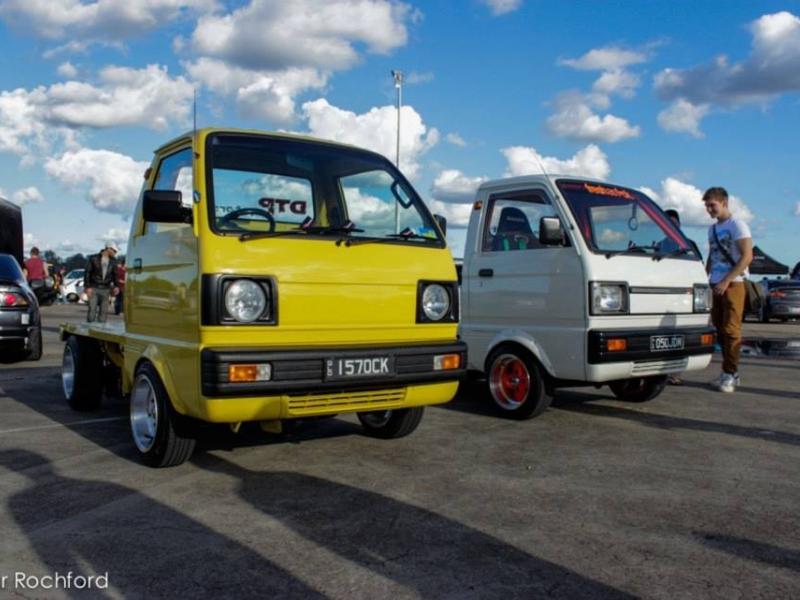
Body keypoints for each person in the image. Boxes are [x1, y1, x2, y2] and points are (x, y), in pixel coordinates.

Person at [703, 187, 753, 393]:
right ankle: (729, 371)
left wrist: (727, 280)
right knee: (720, 330)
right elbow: (712, 255)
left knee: (732, 330)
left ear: (724, 203)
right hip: (715, 283)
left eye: (712, 205)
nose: (709, 209)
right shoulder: (711, 229)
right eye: (706, 206)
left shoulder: (737, 225)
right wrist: (705, 278)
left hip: (734, 283)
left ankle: (730, 373)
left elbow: (747, 256)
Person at [661, 209, 702, 385]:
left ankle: (676, 373)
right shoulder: (658, 245)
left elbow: (697, 267)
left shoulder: (689, 245)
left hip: (683, 296)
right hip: (664, 296)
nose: (671, 227)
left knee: (681, 336)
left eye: (674, 224)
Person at [84, 242, 119, 323]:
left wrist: (116, 286)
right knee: (92, 310)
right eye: (114, 251)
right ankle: (90, 329)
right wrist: (87, 287)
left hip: (106, 289)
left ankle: (101, 329)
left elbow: (115, 275)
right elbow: (87, 273)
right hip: (93, 288)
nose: (115, 253)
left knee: (103, 312)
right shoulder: (93, 258)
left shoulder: (114, 261)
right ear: (109, 249)